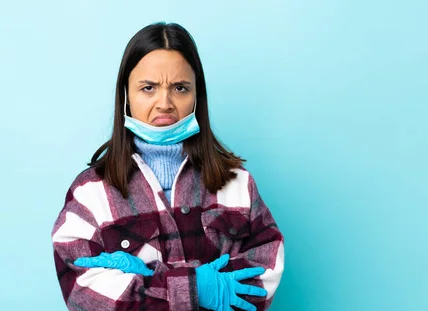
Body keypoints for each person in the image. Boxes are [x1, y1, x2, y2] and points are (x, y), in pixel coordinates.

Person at [51, 22, 284, 311]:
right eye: (148, 88)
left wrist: (146, 279)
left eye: (180, 88)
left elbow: (263, 275)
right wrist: (192, 288)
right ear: (126, 96)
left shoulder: (237, 183)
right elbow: (84, 293)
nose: (165, 103)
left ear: (197, 96)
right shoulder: (90, 192)